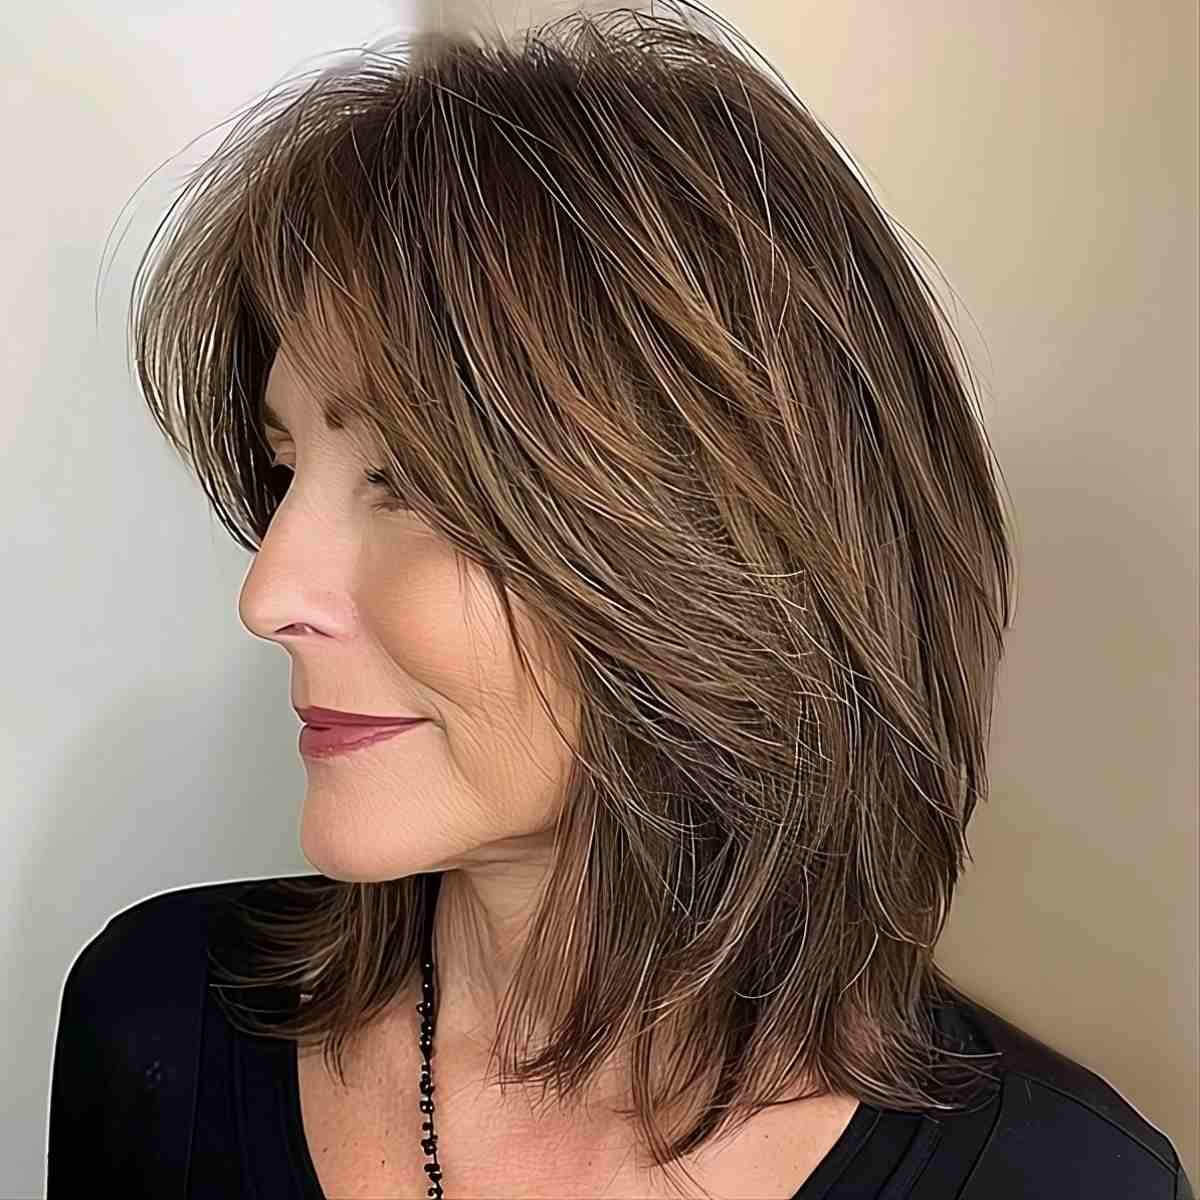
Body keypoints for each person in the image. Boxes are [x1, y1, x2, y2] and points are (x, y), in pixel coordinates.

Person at [48, 4, 1193, 1198]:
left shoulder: (1063, 1179)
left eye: (413, 481)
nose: (267, 593)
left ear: (726, 548)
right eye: (286, 471)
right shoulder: (159, 1024)